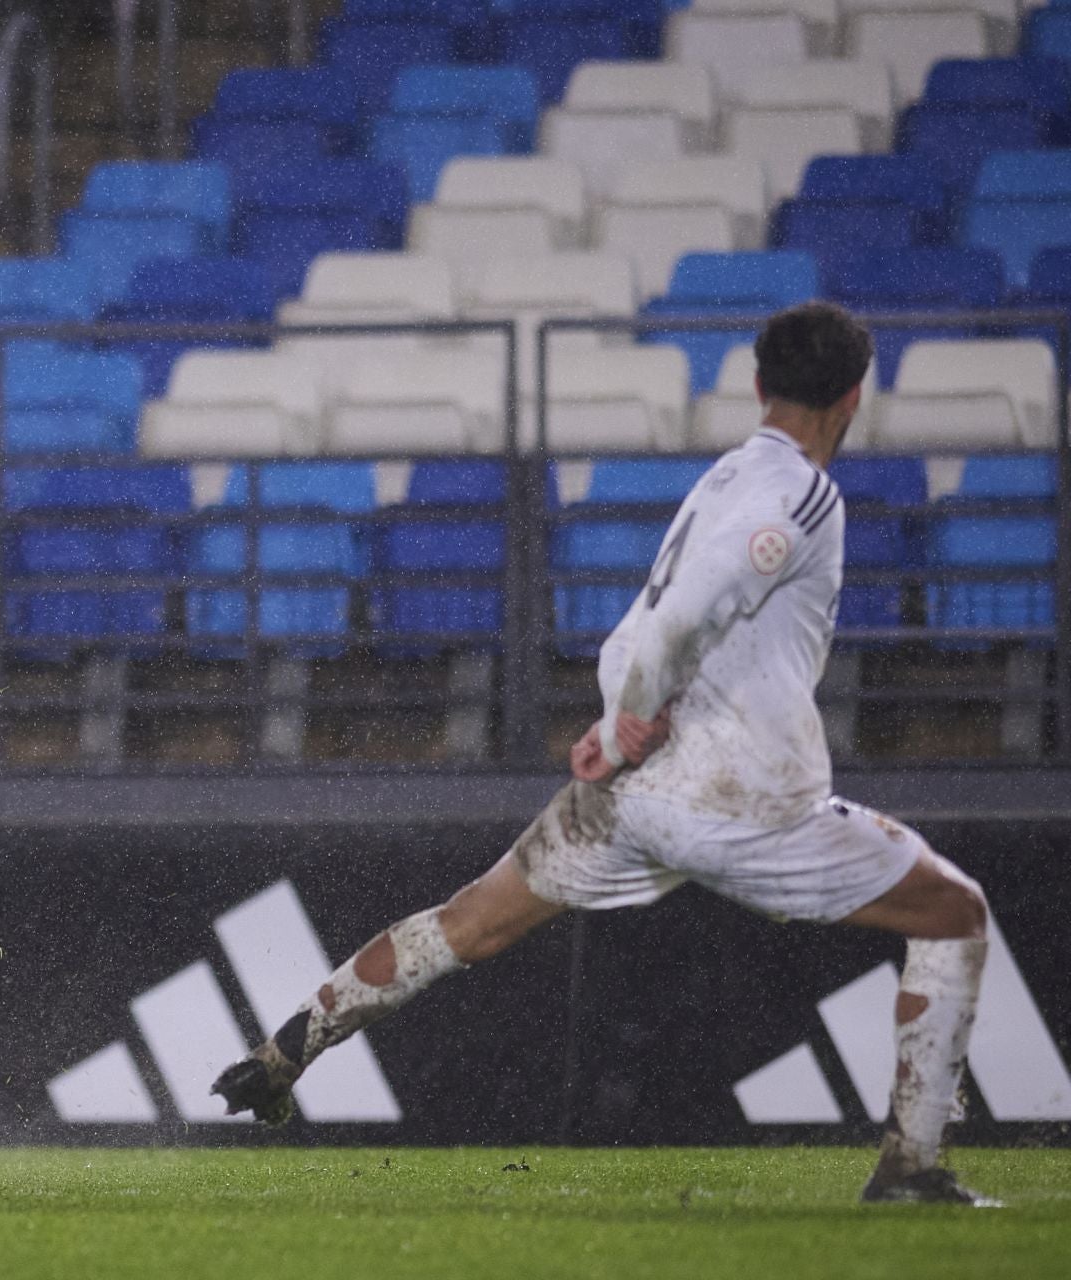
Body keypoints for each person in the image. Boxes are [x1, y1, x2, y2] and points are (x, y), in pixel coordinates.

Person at [211, 301, 999, 1207]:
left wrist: (614, 724)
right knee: (954, 910)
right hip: (739, 796)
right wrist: (628, 720)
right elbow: (683, 613)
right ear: (856, 398)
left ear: (755, 386)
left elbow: (635, 633)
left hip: (638, 795)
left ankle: (283, 1053)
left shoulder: (725, 477)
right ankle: (911, 1166)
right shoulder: (800, 495)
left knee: (469, 921)